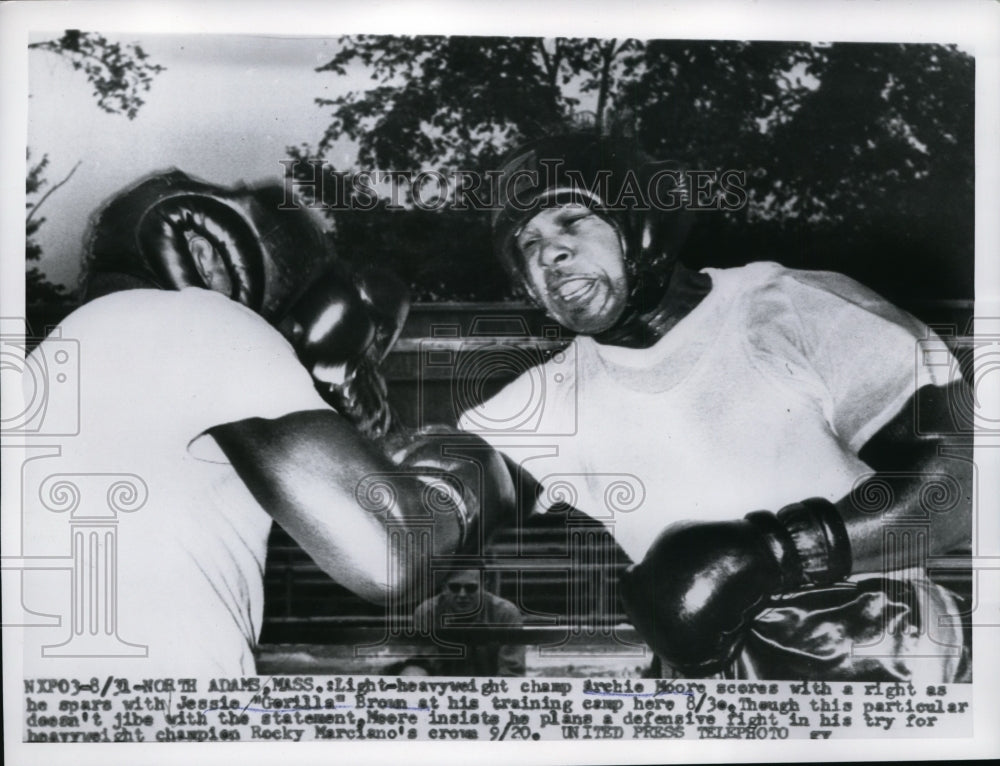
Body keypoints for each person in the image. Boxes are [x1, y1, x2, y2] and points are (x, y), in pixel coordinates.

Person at [463, 133, 973, 682]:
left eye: (573, 220)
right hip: (710, 679)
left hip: (882, 648)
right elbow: (435, 511)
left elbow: (962, 478)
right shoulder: (548, 398)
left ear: (641, 222)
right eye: (528, 243)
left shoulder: (786, 305)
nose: (549, 254)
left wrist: (775, 552)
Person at [21, 170, 515, 678]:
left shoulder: (50, 367)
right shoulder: (202, 317)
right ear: (207, 255)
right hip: (161, 705)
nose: (285, 333)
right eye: (286, 308)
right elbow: (392, 556)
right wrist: (464, 478)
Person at [407, 569, 526, 677]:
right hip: (441, 687)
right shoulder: (427, 612)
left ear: (485, 586)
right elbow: (427, 664)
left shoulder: (505, 613)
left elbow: (511, 672)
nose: (462, 594)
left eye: (470, 588)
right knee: (413, 673)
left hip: (491, 687)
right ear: (444, 587)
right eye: (454, 587)